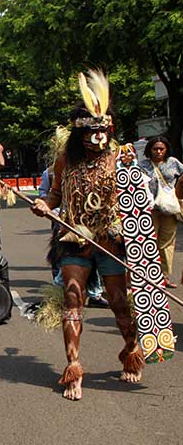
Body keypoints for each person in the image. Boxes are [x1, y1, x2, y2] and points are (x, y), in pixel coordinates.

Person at [31, 70, 143, 401]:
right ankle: (73, 367)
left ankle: (131, 349)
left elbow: (137, 202)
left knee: (119, 302)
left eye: (102, 132)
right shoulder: (64, 162)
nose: (97, 138)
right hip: (72, 240)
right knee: (72, 297)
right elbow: (53, 197)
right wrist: (43, 204)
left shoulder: (120, 159)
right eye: (91, 132)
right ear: (80, 135)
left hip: (109, 241)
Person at [40, 168, 109, 308]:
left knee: (94, 258)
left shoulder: (102, 168)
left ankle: (95, 294)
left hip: (96, 223)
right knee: (65, 258)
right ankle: (58, 292)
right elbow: (47, 194)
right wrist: (48, 208)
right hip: (67, 223)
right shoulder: (53, 171)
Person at [138, 136, 183, 288]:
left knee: (167, 244)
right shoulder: (142, 165)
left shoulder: (173, 163)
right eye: (155, 149)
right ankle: (148, 276)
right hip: (149, 209)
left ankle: (164, 276)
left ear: (166, 150)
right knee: (149, 241)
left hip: (169, 210)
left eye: (161, 149)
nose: (158, 152)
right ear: (149, 150)